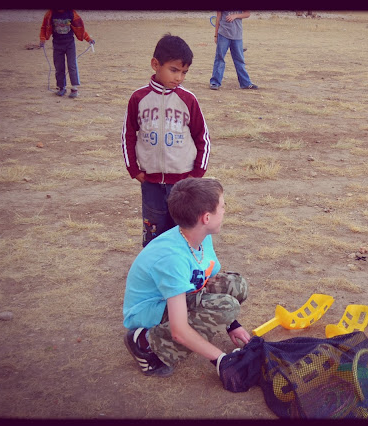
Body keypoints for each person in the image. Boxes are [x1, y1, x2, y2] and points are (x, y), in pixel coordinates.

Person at [122, 177, 251, 377]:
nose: (225, 211)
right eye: (222, 207)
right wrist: (222, 360)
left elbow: (208, 278)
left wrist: (231, 324)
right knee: (227, 307)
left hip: (174, 296)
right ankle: (145, 342)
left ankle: (211, 319)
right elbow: (179, 331)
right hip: (147, 312)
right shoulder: (172, 258)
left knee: (236, 285)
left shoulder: (199, 235)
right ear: (206, 218)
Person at [122, 34, 211, 247]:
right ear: (155, 64)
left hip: (183, 183)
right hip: (151, 182)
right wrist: (134, 169)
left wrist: (196, 174)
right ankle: (153, 264)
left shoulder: (188, 100)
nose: (179, 77)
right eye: (174, 70)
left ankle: (182, 265)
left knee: (183, 233)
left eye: (184, 72)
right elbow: (128, 135)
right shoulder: (138, 98)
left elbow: (203, 137)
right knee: (153, 233)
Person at [39, 9, 95, 98]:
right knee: (59, 66)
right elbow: (44, 27)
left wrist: (89, 39)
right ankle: (61, 88)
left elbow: (80, 29)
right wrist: (42, 39)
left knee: (72, 65)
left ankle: (74, 88)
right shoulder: (50, 14)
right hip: (57, 44)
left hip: (70, 44)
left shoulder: (72, 14)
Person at [209, 11, 258, 90]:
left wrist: (235, 16)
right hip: (223, 34)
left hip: (237, 35)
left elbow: (247, 14)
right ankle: (215, 82)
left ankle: (245, 83)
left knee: (239, 60)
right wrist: (216, 35)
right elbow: (218, 17)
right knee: (219, 58)